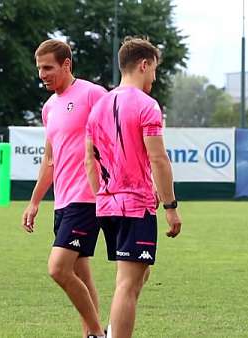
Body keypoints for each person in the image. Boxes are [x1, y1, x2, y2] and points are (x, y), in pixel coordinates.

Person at [85, 37, 182, 338]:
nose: (154, 77)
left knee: (137, 275)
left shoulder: (98, 106)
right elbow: (159, 159)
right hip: (135, 206)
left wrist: (101, 196)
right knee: (127, 284)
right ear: (144, 64)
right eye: (154, 70)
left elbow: (89, 161)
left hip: (107, 205)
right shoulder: (146, 105)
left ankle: (114, 330)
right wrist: (171, 207)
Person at [22, 39, 108, 338]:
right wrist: (34, 202)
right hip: (63, 203)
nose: (42, 74)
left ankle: (98, 333)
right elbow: (50, 159)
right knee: (82, 276)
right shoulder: (49, 108)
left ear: (66, 64)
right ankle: (91, 333)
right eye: (39, 69)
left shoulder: (93, 94)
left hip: (87, 199)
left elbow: (114, 139)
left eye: (48, 67)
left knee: (58, 268)